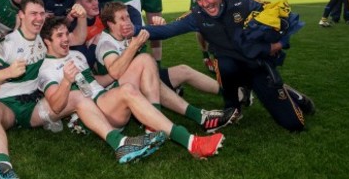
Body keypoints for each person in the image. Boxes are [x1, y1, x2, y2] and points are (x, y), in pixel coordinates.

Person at [0, 0, 158, 179]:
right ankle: (5, 168)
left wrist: (83, 17)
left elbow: (76, 37)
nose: (38, 18)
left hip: (36, 105)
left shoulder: (44, 40)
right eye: (33, 14)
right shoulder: (8, 44)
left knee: (76, 96)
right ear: (21, 15)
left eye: (41, 14)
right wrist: (7, 72)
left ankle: (120, 144)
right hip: (8, 104)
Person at [146, 0, 316, 132]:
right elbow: (166, 31)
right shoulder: (197, 15)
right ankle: (232, 106)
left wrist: (279, 44)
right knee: (224, 64)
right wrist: (129, 30)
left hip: (257, 66)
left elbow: (286, 18)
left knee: (294, 125)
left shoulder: (244, 3)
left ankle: (292, 94)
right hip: (230, 69)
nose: (204, 3)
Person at [39, 18, 225, 160]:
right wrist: (65, 81)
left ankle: (153, 124)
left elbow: (94, 81)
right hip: (96, 111)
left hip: (104, 98)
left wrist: (113, 77)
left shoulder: (76, 54)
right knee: (128, 89)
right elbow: (55, 105)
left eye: (66, 34)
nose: (65, 39)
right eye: (59, 36)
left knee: (145, 61)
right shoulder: (46, 68)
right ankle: (190, 141)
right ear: (47, 41)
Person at [94, 2, 235, 133]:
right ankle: (196, 117)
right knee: (149, 69)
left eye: (128, 17)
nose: (128, 22)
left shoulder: (126, 33)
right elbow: (115, 72)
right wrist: (134, 46)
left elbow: (156, 33)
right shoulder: (106, 43)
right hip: (119, 93)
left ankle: (233, 93)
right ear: (111, 24)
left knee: (183, 70)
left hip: (139, 80)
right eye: (122, 19)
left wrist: (158, 26)